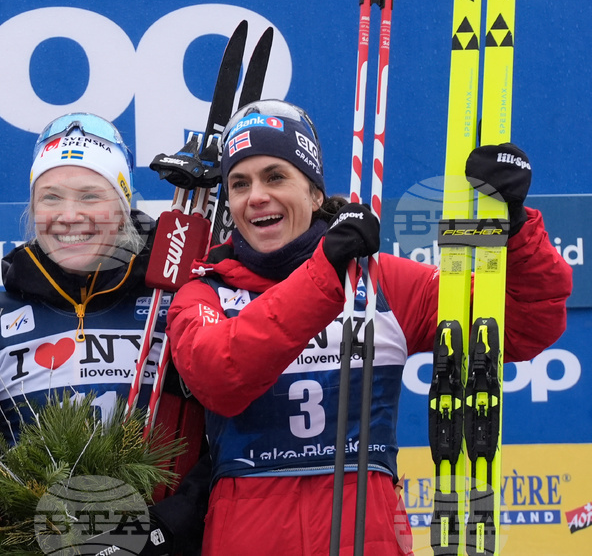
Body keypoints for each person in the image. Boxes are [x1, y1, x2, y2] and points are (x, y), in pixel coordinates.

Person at [164, 99, 572, 556]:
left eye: (275, 177)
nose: (256, 195)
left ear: (315, 193)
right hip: (248, 532)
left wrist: (514, 228)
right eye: (239, 184)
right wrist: (323, 272)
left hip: (366, 530)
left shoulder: (381, 281)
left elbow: (522, 326)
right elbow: (220, 377)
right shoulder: (204, 294)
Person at [0, 113, 209, 555]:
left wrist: (166, 527)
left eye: (90, 196)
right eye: (51, 197)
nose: (70, 216)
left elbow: (219, 443)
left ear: (123, 205)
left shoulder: (176, 302)